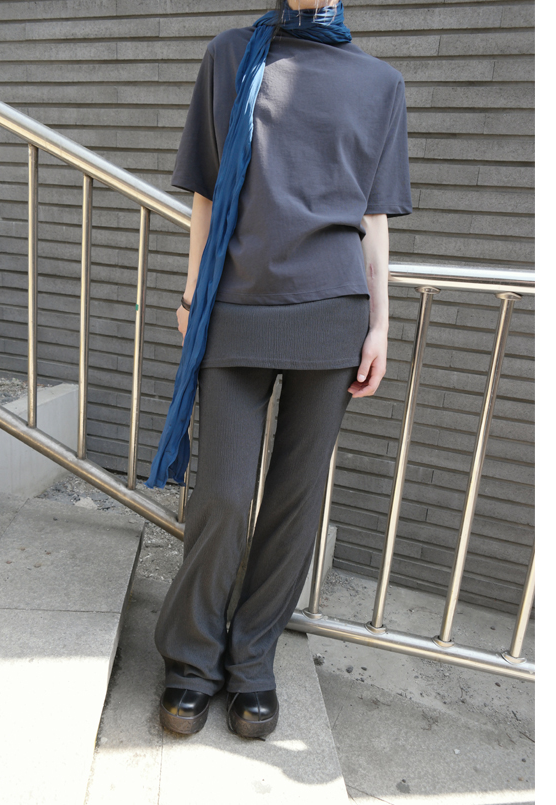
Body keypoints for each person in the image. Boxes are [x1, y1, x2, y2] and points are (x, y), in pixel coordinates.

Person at [151, 0, 412, 739]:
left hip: (333, 317)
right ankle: (191, 657)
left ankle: (252, 661)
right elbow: (207, 190)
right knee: (224, 494)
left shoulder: (380, 83)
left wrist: (381, 325)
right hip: (236, 308)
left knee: (295, 501)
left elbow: (374, 220)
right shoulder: (231, 55)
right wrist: (193, 291)